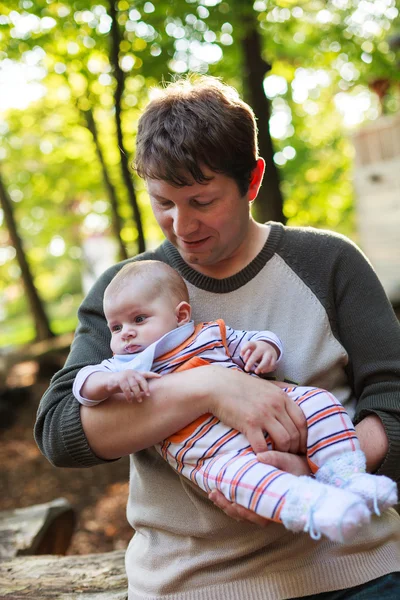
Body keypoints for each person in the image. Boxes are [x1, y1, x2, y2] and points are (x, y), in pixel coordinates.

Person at [34, 75, 400, 600]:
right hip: (193, 583)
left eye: (201, 201)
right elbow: (61, 431)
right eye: (163, 202)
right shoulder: (126, 295)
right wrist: (210, 388)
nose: (181, 225)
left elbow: (394, 400)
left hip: (354, 569)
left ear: (252, 181)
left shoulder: (328, 263)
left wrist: (307, 470)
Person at [72, 260, 396, 543]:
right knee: (243, 480)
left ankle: (345, 474)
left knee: (319, 402)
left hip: (276, 415)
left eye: (139, 319)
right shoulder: (125, 366)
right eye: (116, 327)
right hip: (212, 454)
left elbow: (254, 339)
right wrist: (111, 381)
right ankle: (312, 506)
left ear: (181, 314)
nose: (126, 333)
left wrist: (265, 349)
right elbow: (83, 385)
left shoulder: (211, 334)